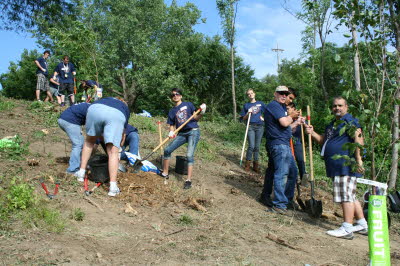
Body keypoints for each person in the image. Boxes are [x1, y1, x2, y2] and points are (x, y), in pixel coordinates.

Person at [305, 96, 367, 239]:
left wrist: (358, 160)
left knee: (346, 196)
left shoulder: (350, 121)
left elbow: (359, 139)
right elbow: (323, 141)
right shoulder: (332, 124)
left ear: (346, 107)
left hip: (345, 165)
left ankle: (347, 228)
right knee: (350, 195)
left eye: (340, 105)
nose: (337, 108)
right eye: (334, 106)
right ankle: (362, 223)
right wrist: (312, 132)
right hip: (336, 166)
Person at [74, 97, 130, 197]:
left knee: (89, 141)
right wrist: (119, 145)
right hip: (116, 115)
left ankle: (81, 173)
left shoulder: (105, 99)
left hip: (95, 109)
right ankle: (113, 188)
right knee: (113, 152)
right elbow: (123, 133)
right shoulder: (124, 108)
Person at [259, 86, 300, 214]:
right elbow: (284, 122)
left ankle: (285, 200)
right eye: (281, 93)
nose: (284, 96)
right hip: (279, 145)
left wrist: (297, 122)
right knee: (281, 174)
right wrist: (292, 115)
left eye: (286, 94)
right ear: (275, 94)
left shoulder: (281, 108)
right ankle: (279, 205)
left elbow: (286, 127)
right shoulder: (274, 105)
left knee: (292, 173)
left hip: (282, 144)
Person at [160, 88, 206, 189]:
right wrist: (171, 131)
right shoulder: (172, 111)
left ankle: (188, 180)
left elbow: (195, 118)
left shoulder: (188, 104)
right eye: (173, 95)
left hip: (193, 131)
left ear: (181, 96)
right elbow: (171, 124)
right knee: (167, 150)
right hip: (181, 133)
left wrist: (201, 113)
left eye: (177, 94)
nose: (175, 96)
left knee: (189, 155)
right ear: (172, 98)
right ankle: (165, 172)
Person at [58, 102, 90, 174]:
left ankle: (81, 163)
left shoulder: (90, 106)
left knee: (80, 142)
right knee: (78, 144)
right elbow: (92, 128)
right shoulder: (93, 109)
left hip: (63, 119)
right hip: (69, 121)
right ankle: (73, 170)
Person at [239, 88, 267, 173]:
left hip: (260, 127)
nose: (250, 95)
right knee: (251, 145)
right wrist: (248, 113)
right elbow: (242, 118)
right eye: (248, 94)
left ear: (254, 94)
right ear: (247, 96)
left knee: (257, 147)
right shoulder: (246, 105)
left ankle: (255, 166)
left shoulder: (260, 104)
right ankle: (247, 164)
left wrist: (264, 118)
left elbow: (268, 113)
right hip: (250, 126)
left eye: (251, 93)